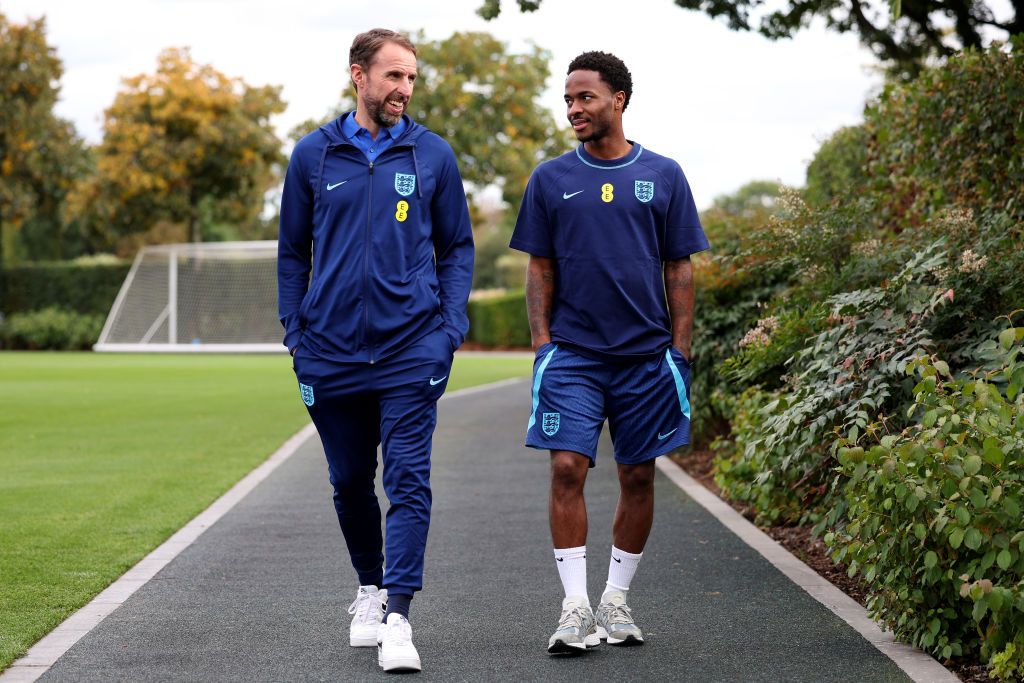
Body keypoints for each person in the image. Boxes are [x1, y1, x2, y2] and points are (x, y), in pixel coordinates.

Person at [277, 28, 473, 673]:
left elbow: (457, 249)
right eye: (393, 76)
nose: (404, 89)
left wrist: (448, 331)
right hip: (328, 353)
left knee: (409, 480)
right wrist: (295, 336)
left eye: (412, 78)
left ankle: (398, 615)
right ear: (358, 76)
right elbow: (291, 253)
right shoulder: (312, 156)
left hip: (413, 349)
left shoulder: (433, 155)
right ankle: (368, 584)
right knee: (347, 481)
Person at [509, 51, 710, 655]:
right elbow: (538, 269)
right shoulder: (549, 179)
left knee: (638, 475)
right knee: (566, 467)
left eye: (585, 97)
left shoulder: (665, 175)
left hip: (647, 358)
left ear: (618, 98)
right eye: (568, 98)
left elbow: (680, 268)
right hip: (572, 355)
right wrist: (542, 346)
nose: (573, 108)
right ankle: (574, 608)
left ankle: (615, 600)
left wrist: (679, 351)